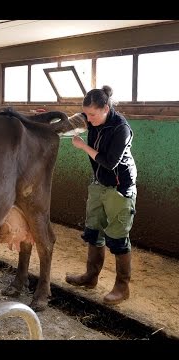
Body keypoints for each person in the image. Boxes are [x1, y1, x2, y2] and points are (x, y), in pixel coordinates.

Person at [65, 85, 137, 305]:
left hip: (118, 187)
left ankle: (122, 287)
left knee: (117, 237)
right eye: (85, 114)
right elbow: (67, 125)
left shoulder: (120, 128)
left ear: (106, 108)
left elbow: (109, 162)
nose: (88, 119)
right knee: (94, 231)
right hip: (98, 185)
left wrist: (82, 146)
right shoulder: (93, 118)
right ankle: (90, 277)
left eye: (92, 115)